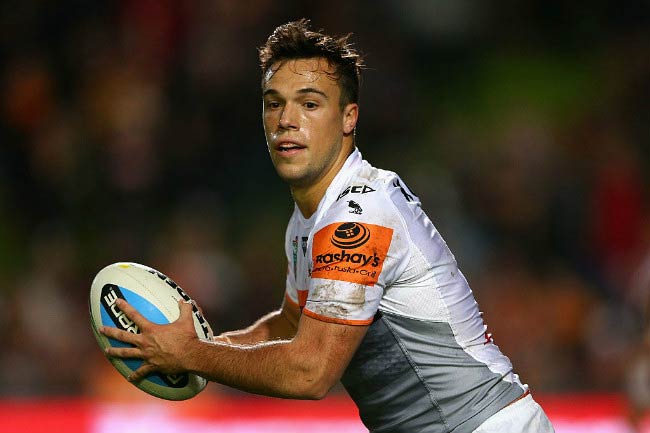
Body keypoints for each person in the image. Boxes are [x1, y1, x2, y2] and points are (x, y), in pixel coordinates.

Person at [100, 19, 555, 433]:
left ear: (349, 118)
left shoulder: (358, 216)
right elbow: (290, 324)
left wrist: (193, 355)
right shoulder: (308, 222)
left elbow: (311, 371)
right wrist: (201, 349)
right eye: (273, 104)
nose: (286, 120)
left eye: (310, 103)